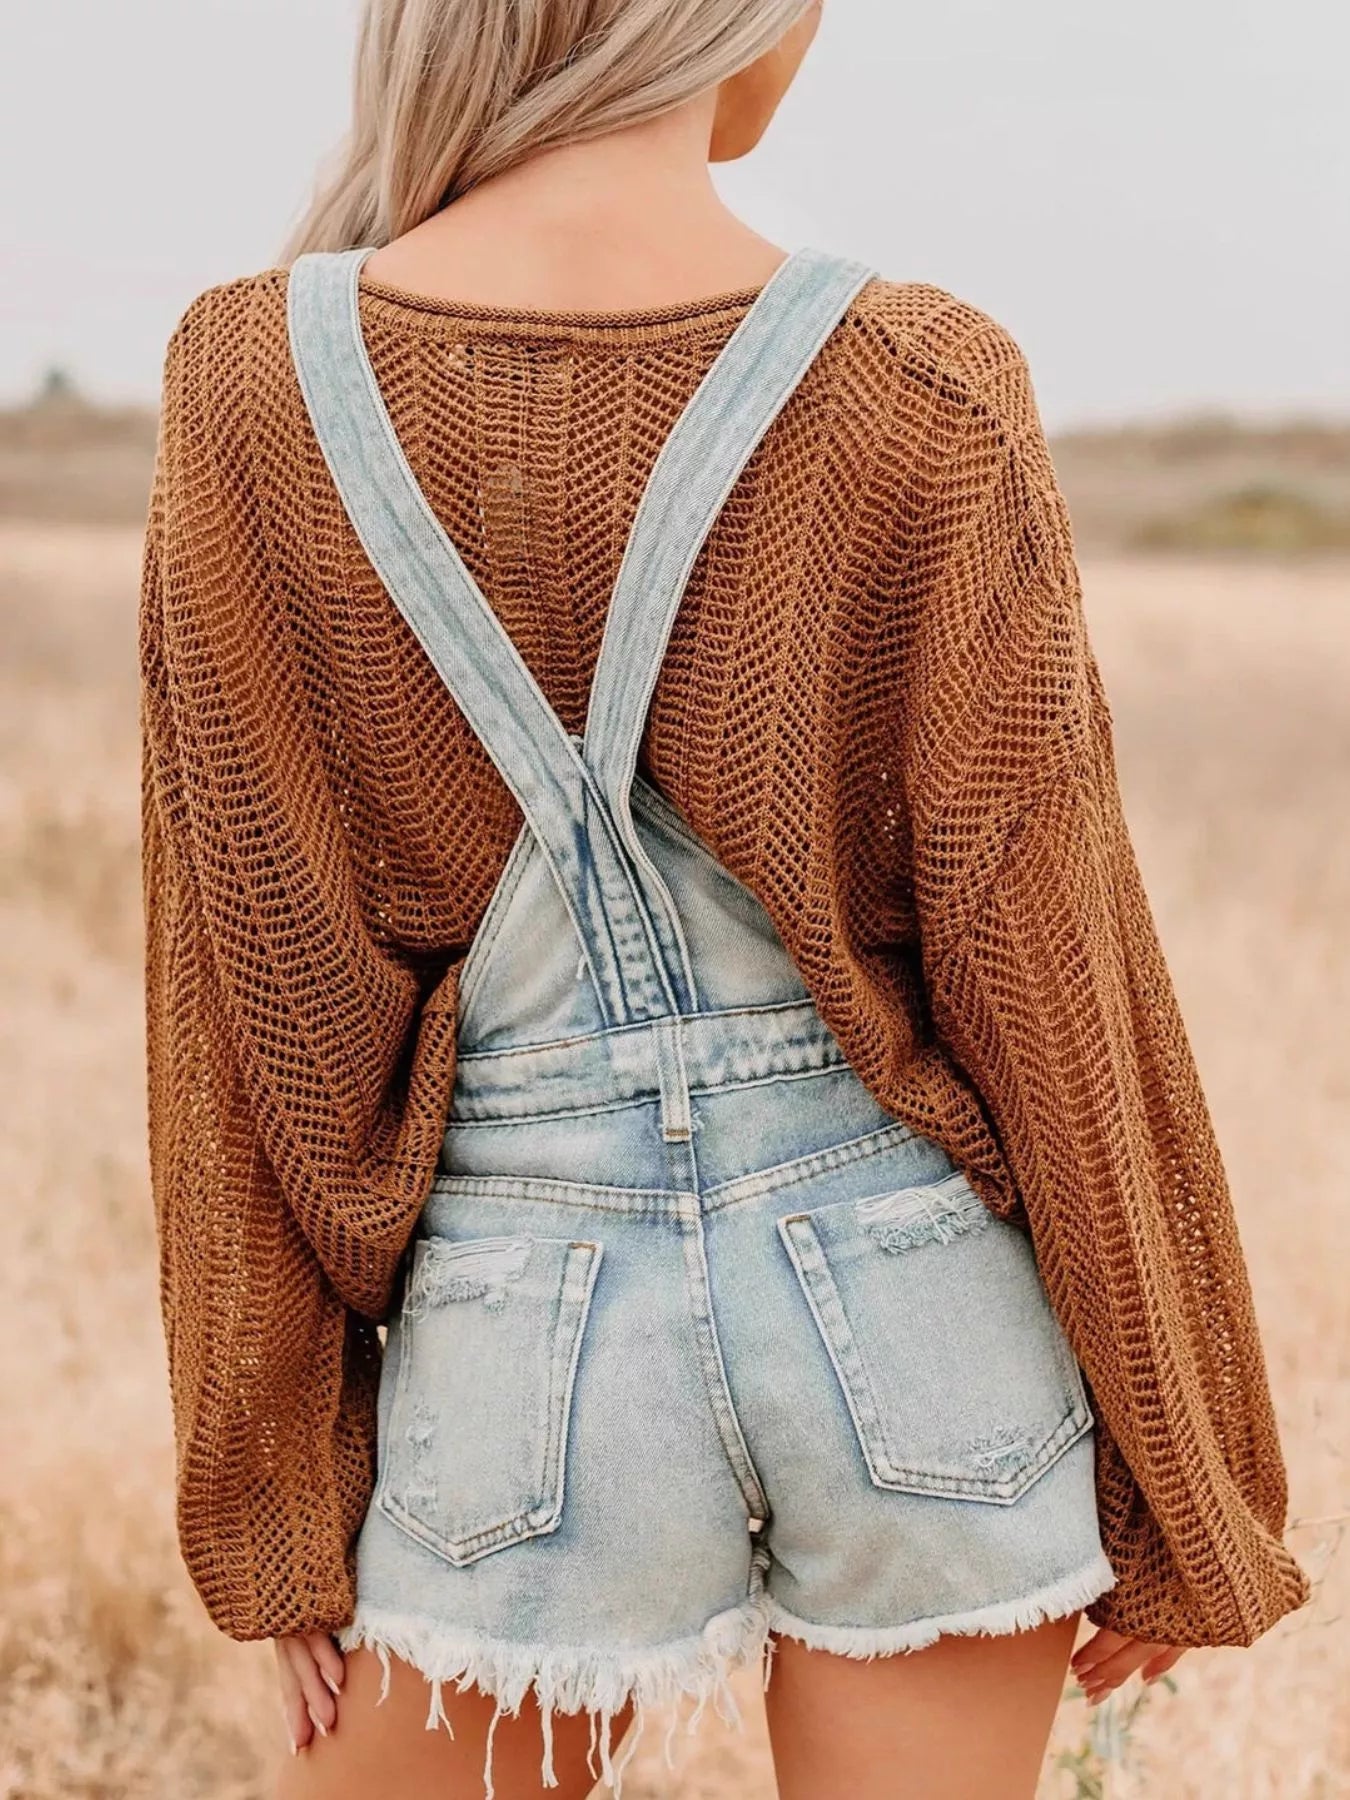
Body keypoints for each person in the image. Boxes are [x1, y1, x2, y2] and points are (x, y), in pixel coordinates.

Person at [138, 3, 1310, 1796]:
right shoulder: (921, 381)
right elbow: (1056, 978)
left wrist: (274, 1492)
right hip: (919, 1313)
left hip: (522, 1326)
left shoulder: (251, 388)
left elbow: (250, 1006)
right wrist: (1189, 1473)